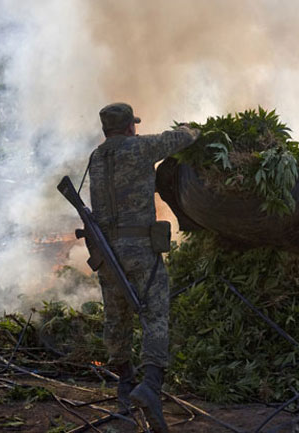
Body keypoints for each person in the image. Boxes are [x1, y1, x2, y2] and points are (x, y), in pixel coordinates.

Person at [89, 102, 198, 432]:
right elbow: (180, 139)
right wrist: (192, 128)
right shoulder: (138, 148)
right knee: (155, 312)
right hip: (138, 249)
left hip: (106, 253)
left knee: (116, 315)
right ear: (128, 127)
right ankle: (150, 386)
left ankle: (125, 386)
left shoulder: (95, 158)